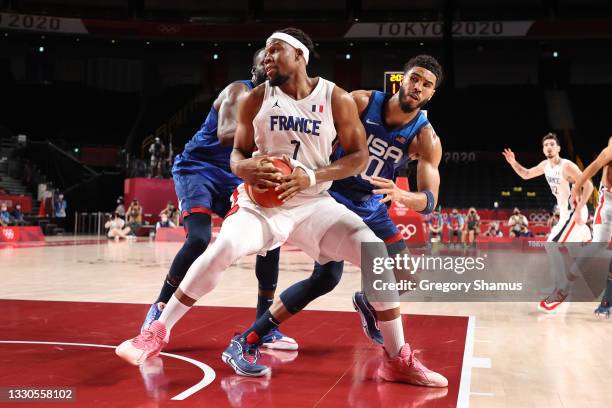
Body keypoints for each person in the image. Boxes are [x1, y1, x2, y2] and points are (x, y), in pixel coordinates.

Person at [117, 29, 447, 388]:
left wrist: (312, 176)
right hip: (264, 203)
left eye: (276, 51)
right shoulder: (254, 98)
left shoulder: (336, 97)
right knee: (223, 248)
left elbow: (358, 157)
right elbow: (237, 154)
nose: (266, 58)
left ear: (300, 56)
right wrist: (242, 167)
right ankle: (157, 330)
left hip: (316, 202)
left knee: (376, 256)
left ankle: (397, 360)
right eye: (266, 53)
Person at [223, 53, 447, 385]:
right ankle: (252, 338)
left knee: (407, 277)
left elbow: (429, 202)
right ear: (402, 79)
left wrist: (403, 196)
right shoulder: (360, 101)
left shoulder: (426, 138)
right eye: (414, 78)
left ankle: (367, 301)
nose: (418, 87)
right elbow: (312, 129)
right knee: (326, 279)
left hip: (371, 203)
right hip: (333, 195)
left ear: (431, 94)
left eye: (426, 85)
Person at [135, 48, 297, 349]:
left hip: (236, 175)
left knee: (271, 237)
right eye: (265, 60)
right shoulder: (239, 90)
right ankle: (157, 309)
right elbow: (226, 134)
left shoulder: (282, 104)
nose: (271, 63)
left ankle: (264, 325)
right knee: (198, 238)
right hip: (199, 168)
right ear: (256, 70)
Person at [503, 132, 593, 312]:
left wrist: (579, 209)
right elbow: (526, 174)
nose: (549, 147)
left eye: (552, 144)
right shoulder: (545, 165)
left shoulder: (566, 166)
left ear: (558, 148)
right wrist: (514, 163)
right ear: (543, 150)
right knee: (571, 252)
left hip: (573, 211)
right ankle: (562, 284)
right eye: (546, 145)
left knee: (551, 245)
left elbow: (589, 185)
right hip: (565, 214)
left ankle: (562, 290)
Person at [570, 136, 612, 317]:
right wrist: (575, 188)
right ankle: (570, 275)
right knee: (598, 244)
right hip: (608, 201)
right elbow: (591, 169)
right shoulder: (610, 150)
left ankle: (607, 301)